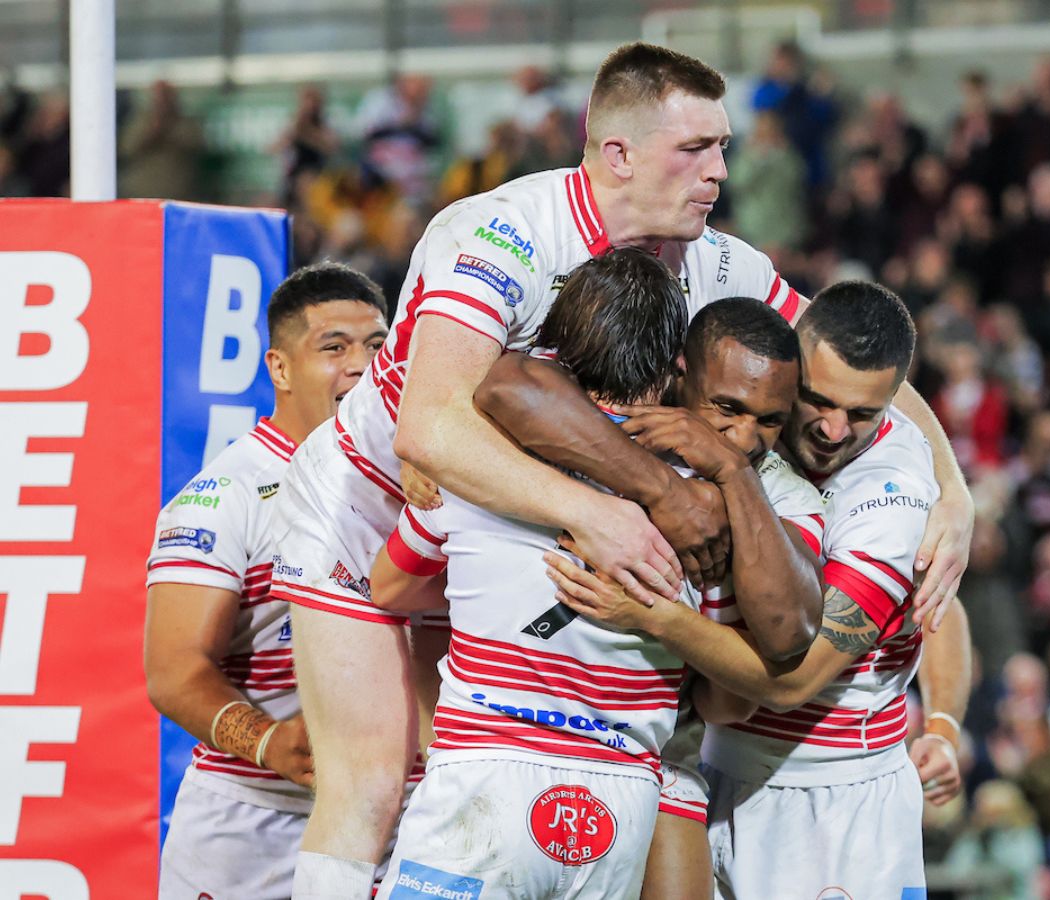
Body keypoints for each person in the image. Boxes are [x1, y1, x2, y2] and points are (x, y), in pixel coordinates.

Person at [275, 41, 973, 890]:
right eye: (696, 149)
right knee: (376, 786)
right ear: (618, 154)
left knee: (546, 767)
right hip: (374, 502)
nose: (718, 169)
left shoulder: (721, 260)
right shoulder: (501, 231)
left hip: (506, 516)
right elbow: (433, 427)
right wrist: (615, 509)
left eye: (722, 148)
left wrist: (954, 491)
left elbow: (853, 368)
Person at [367, 259, 824, 899]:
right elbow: (730, 699)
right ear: (675, 372)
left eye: (766, 422)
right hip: (624, 797)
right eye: (726, 409)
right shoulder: (712, 521)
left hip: (489, 767)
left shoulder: (485, 459)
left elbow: (387, 588)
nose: (742, 438)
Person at [547, 281, 971, 898]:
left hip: (831, 801)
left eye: (861, 414)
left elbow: (795, 680)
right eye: (816, 401)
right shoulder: (754, 413)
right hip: (711, 767)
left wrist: (653, 614)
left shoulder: (892, 502)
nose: (830, 429)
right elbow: (943, 606)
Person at [144, 263, 389, 899]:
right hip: (252, 824)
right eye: (333, 348)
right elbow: (174, 672)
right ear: (279, 369)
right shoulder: (223, 497)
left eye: (377, 346)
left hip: (386, 820)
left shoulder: (414, 479)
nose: (361, 366)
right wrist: (269, 742)